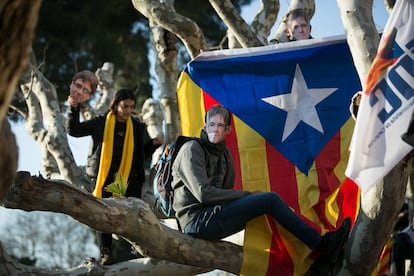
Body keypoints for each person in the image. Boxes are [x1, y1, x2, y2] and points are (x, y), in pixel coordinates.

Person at [171, 105, 351, 273]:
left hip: (213, 214)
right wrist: (247, 195)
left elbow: (226, 193)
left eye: (220, 125)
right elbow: (204, 193)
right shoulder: (191, 149)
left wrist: (245, 198)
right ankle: (322, 246)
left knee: (267, 207)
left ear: (228, 130)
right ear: (204, 125)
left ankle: (307, 261)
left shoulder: (223, 154)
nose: (215, 130)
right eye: (211, 124)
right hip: (195, 221)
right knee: (268, 200)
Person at [67, 79, 162, 265]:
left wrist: (153, 144)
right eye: (124, 106)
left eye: (131, 107)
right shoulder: (101, 123)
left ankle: (136, 250)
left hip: (128, 179)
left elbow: (141, 154)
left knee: (133, 216)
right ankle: (106, 253)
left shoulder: (137, 126)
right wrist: (74, 109)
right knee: (104, 214)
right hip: (105, 177)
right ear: (116, 104)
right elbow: (74, 130)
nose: (128, 110)